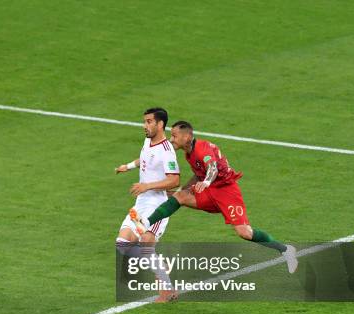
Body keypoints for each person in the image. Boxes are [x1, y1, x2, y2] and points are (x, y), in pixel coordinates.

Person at [130, 120, 298, 274]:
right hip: (210, 191)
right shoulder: (189, 153)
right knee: (180, 196)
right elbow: (198, 175)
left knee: (244, 232)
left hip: (226, 191)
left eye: (174, 135)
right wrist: (183, 189)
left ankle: (285, 250)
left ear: (187, 136)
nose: (171, 139)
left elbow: (212, 168)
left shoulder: (201, 149)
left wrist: (207, 182)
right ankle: (146, 223)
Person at [115, 108, 180, 302]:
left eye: (149, 121)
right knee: (122, 244)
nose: (145, 125)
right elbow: (144, 159)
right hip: (141, 203)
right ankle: (161, 264)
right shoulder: (147, 141)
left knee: (145, 246)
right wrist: (127, 166)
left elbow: (174, 180)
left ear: (160, 124)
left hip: (158, 206)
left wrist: (147, 186)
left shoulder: (167, 151)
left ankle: (166, 291)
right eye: (144, 121)